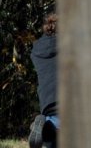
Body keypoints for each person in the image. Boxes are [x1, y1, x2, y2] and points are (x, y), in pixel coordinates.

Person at [29, 13, 58, 148]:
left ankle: (45, 125)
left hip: (46, 103)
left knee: (52, 139)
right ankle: (49, 126)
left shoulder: (36, 50)